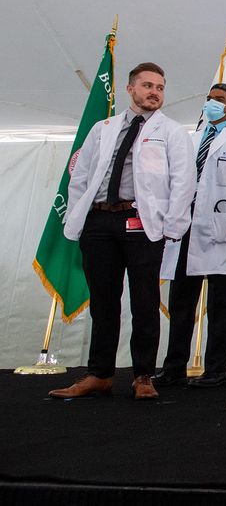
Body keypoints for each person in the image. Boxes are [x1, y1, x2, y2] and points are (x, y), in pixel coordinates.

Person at [49, 63, 195, 400]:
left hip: (142, 223)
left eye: (160, 87)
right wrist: (79, 217)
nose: (154, 92)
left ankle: (143, 375)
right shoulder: (102, 128)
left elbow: (184, 182)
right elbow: (81, 175)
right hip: (99, 222)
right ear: (130, 89)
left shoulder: (172, 132)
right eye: (147, 85)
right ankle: (99, 374)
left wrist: (171, 226)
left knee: (145, 300)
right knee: (103, 301)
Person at [154, 83, 226, 389]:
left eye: (219, 100)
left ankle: (217, 369)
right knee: (180, 304)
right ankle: (174, 367)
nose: (211, 103)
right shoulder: (189, 141)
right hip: (185, 230)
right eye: (209, 99)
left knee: (221, 305)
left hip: (225, 234)